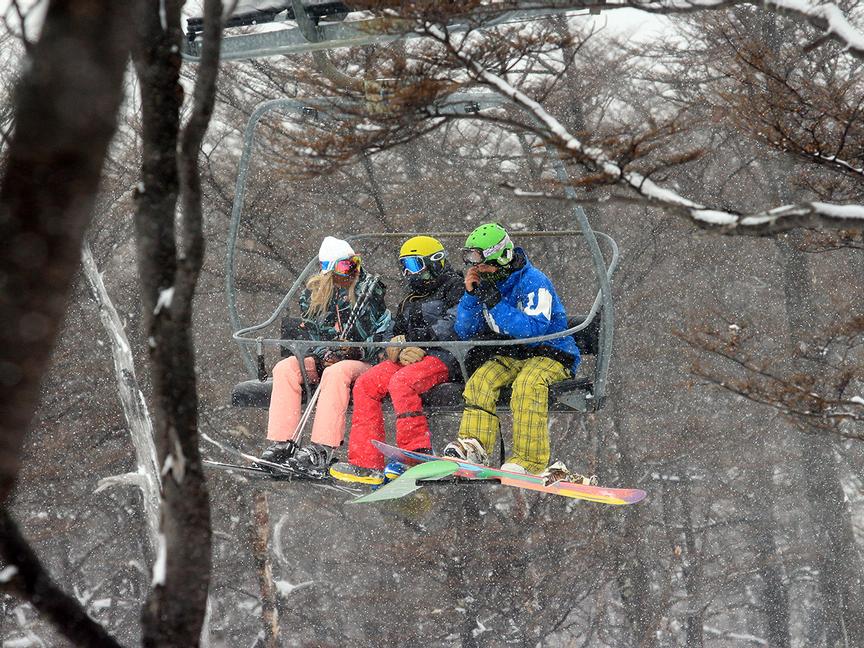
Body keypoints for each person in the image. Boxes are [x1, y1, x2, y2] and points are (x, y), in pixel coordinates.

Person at [442, 222, 587, 479]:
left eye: (483, 265)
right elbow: (465, 330)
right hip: (512, 354)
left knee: (527, 385)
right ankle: (474, 446)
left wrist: (495, 304)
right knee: (481, 382)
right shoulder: (486, 285)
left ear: (502, 259)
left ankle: (529, 460)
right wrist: (471, 297)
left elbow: (533, 330)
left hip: (550, 353)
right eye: (474, 265)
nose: (477, 270)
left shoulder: (533, 282)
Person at [329, 236, 463, 485]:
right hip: (411, 358)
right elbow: (395, 326)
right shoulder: (411, 298)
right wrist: (394, 345)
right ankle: (366, 463)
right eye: (404, 266)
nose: (408, 273)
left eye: (413, 265)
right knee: (367, 384)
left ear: (434, 262)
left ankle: (416, 454)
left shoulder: (456, 289)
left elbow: (454, 325)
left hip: (446, 356)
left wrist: (416, 342)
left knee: (402, 382)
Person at [258, 236, 391, 476]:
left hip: (363, 361)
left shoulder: (367, 293)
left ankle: (322, 447)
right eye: (345, 266)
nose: (352, 271)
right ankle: (283, 443)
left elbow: (381, 335)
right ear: (329, 269)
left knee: (335, 373)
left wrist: (354, 350)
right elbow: (311, 336)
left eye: (355, 264)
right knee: (286, 368)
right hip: (327, 359)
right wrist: (325, 353)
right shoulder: (313, 297)